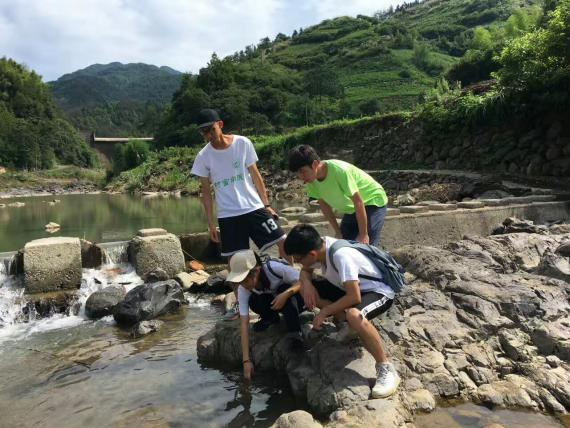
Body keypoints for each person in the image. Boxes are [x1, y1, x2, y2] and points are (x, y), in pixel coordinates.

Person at [191, 109, 289, 318]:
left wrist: (267, 204)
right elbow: (206, 193)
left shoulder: (242, 143)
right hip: (228, 216)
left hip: (253, 207)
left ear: (220, 124)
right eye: (203, 132)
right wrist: (211, 224)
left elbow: (256, 175)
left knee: (283, 241)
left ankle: (292, 286)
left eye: (211, 129)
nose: (208, 135)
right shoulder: (203, 156)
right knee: (233, 262)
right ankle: (240, 304)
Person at [283, 224, 400, 398]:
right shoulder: (320, 246)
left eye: (298, 259)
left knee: (354, 314)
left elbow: (354, 297)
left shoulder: (340, 256)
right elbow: (306, 271)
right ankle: (348, 326)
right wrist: (306, 283)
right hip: (351, 288)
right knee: (306, 289)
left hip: (377, 291)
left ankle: (386, 368)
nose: (298, 263)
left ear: (312, 254)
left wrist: (324, 312)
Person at [226, 250, 305, 381]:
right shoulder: (243, 288)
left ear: (256, 271)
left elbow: (302, 281)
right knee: (254, 301)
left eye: (245, 280)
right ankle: (271, 318)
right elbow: (244, 323)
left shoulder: (274, 268)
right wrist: (246, 361)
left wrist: (286, 294)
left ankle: (295, 333)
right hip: (272, 301)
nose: (243, 285)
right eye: (240, 282)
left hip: (295, 300)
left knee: (283, 290)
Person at [288, 145, 388, 247]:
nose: (301, 177)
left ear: (315, 164)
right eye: (298, 173)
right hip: (351, 209)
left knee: (366, 247)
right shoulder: (311, 180)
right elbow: (324, 205)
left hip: (373, 200)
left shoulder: (339, 171)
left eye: (303, 171)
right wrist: (337, 231)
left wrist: (363, 234)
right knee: (342, 246)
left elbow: (358, 201)